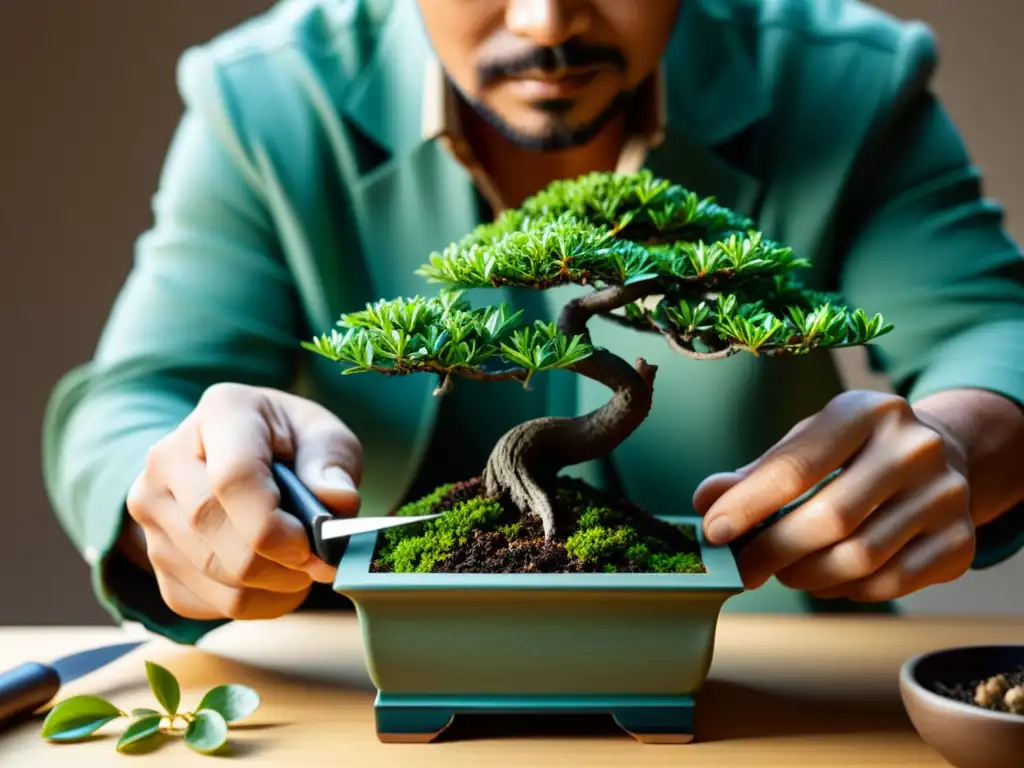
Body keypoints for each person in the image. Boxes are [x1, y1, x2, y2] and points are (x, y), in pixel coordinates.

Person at [43, 0, 1024, 646]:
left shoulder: (842, 81)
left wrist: (957, 438)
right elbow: (136, 394)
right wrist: (171, 489)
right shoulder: (269, 99)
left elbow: (991, 328)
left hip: (766, 672)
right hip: (354, 687)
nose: (547, 20)